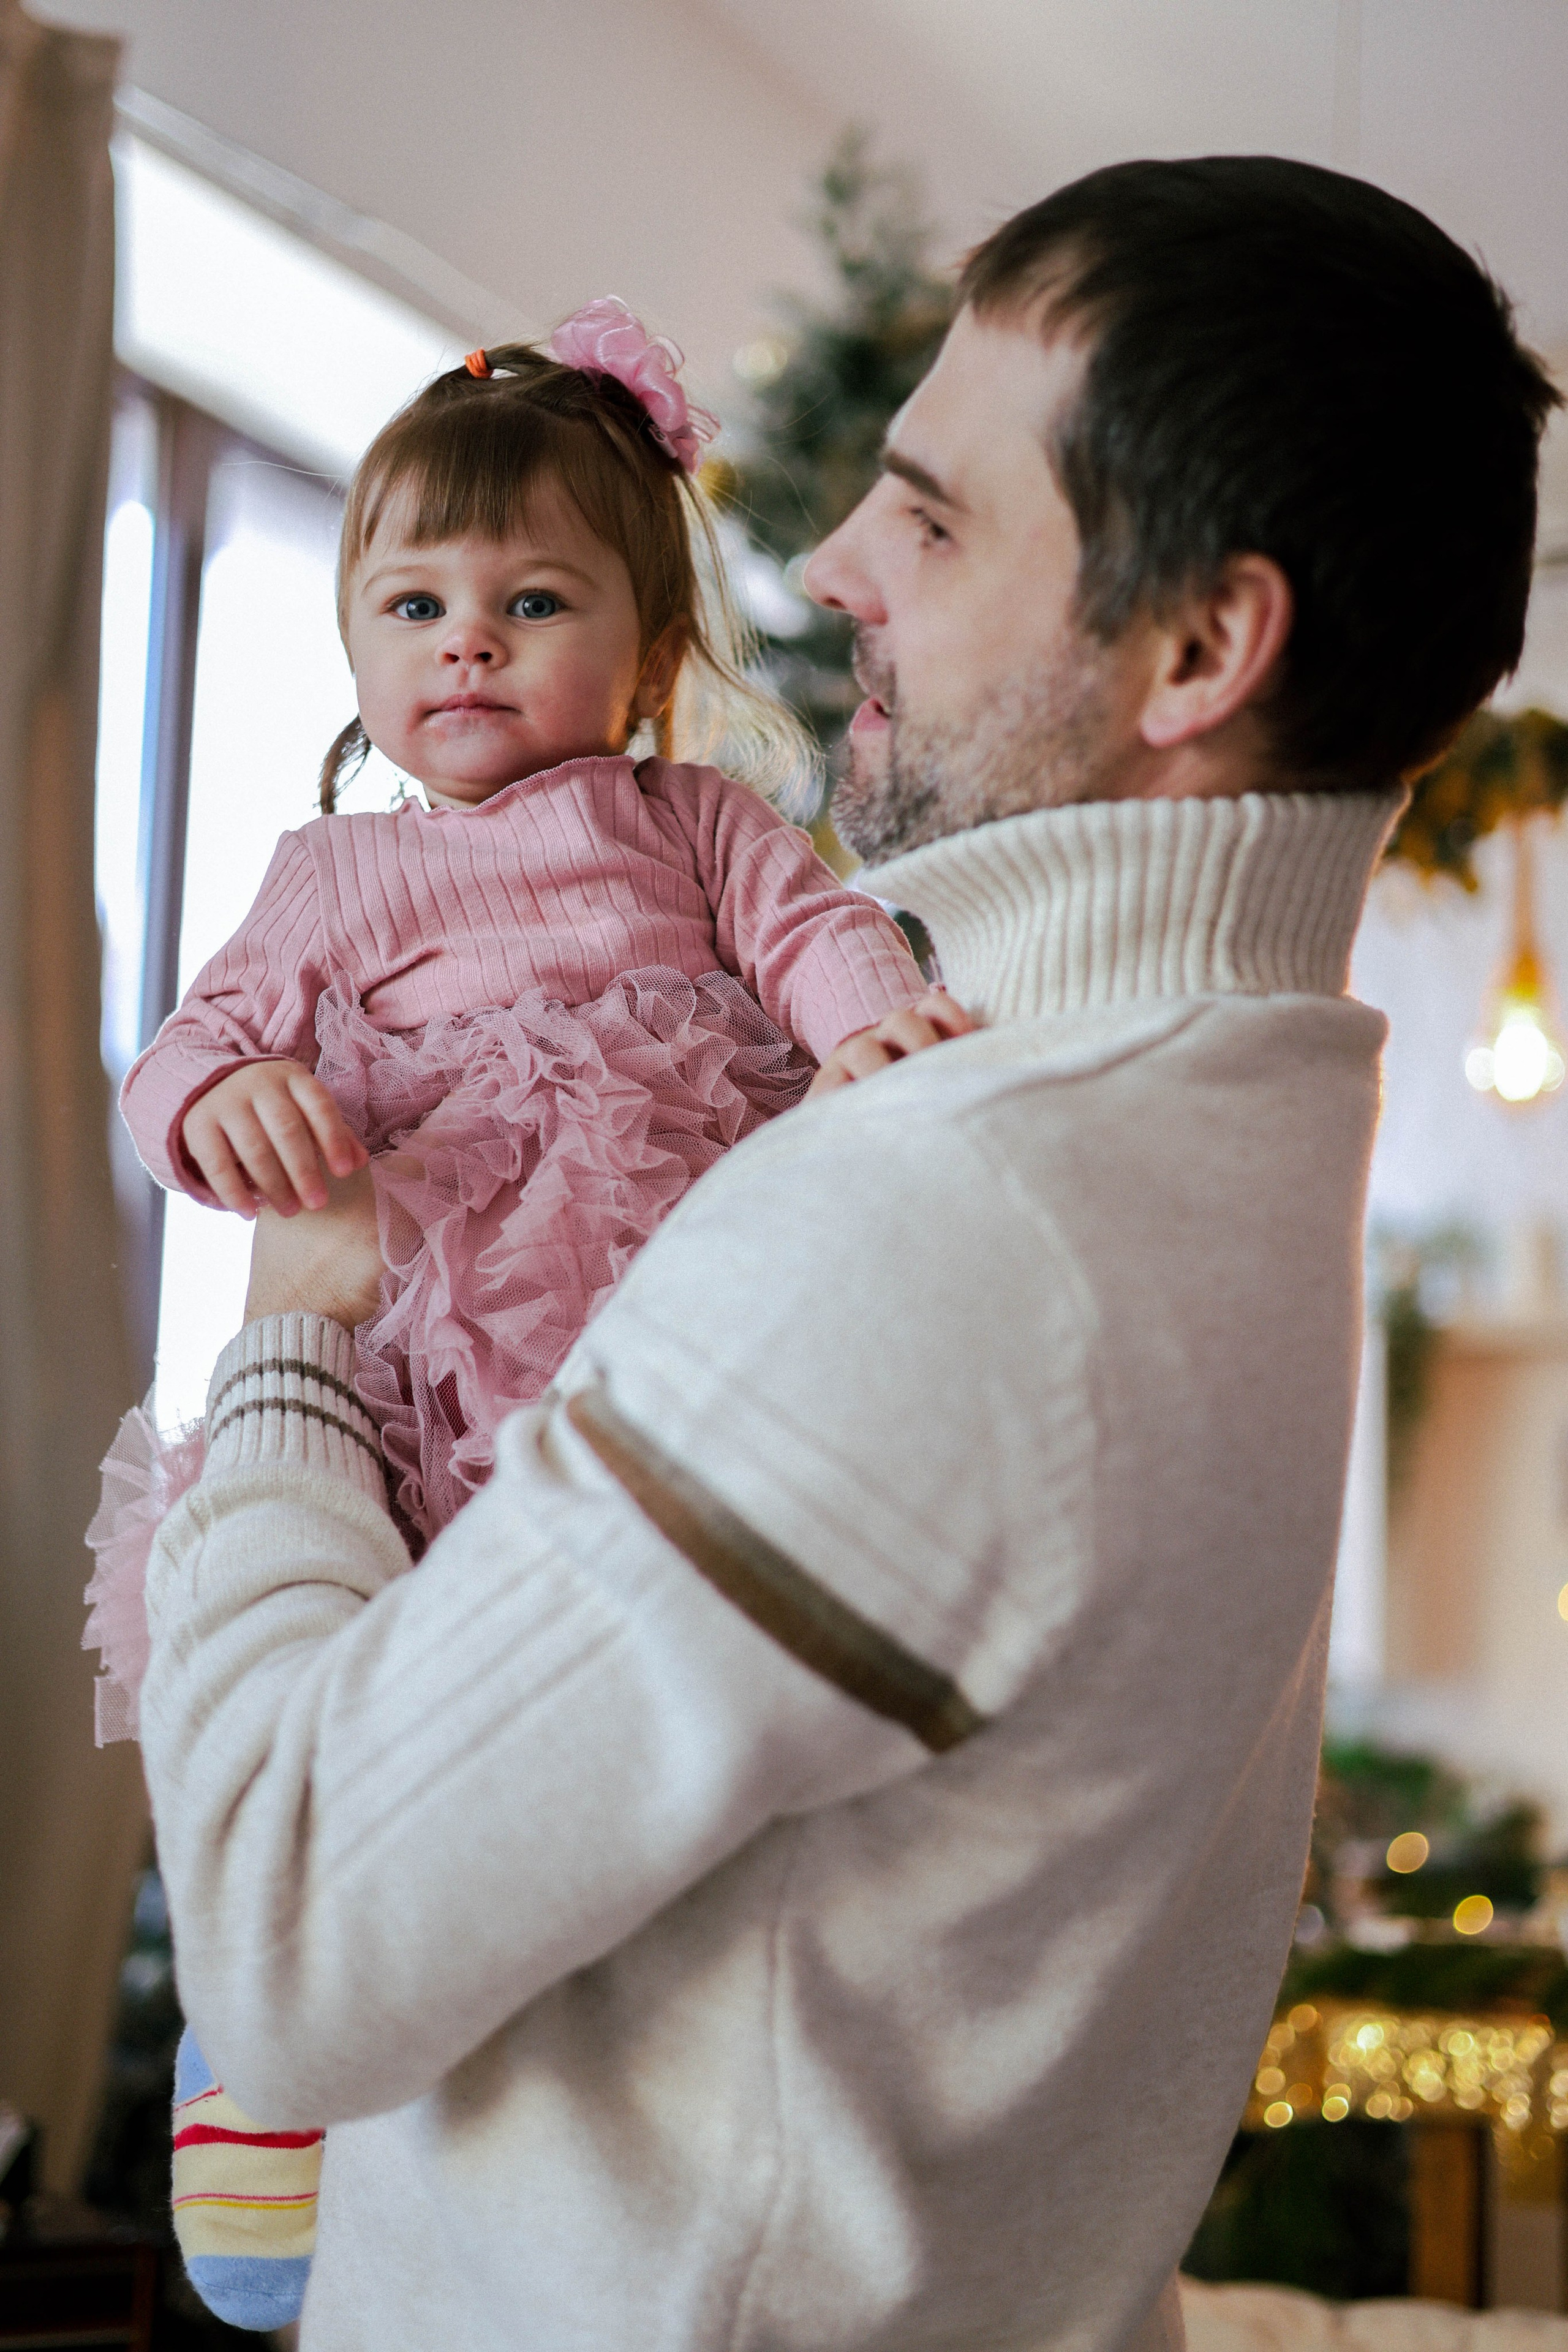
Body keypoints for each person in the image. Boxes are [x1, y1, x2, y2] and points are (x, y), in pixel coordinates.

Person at [137, 159, 1558, 2352]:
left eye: (933, 516)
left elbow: (292, 1937)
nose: (824, 568)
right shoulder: (1252, 1121)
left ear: (1201, 649)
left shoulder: (941, 1210)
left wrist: (299, 1340)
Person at [88, 300, 962, 2328]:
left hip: (655, 1354)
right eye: (413, 601)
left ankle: (575, 2065)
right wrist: (232, 1104)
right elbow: (177, 1060)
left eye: (530, 596)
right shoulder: (329, 877)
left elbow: (823, 938)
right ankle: (259, 2070)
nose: (463, 640)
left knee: (591, 1726)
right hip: (424, 1352)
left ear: (646, 652)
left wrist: (877, 1026)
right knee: (348, 1695)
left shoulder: (705, 829)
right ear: (362, 651)